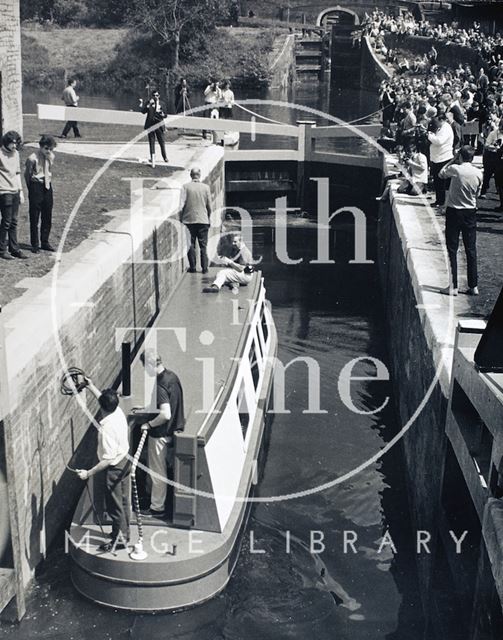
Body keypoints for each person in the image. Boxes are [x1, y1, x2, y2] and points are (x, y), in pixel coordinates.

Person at [76, 381, 131, 552]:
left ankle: (119, 541)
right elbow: (104, 399)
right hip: (125, 462)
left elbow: (107, 460)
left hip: (114, 468)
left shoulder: (107, 428)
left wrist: (88, 473)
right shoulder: (117, 412)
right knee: (123, 501)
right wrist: (91, 385)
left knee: (115, 506)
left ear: (102, 407)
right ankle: (124, 533)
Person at [139, 351, 185, 518]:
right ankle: (154, 500)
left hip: (160, 434)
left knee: (157, 472)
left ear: (151, 365)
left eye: (145, 367)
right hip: (173, 431)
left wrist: (148, 424)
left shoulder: (160, 385)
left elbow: (165, 414)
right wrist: (147, 408)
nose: (145, 371)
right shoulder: (172, 377)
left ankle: (157, 508)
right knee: (162, 469)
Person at [439, 146, 482, 296]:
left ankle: (453, 286)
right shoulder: (478, 173)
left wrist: (453, 159)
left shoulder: (455, 169)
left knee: (452, 249)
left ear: (460, 156)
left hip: (454, 211)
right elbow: (478, 192)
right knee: (471, 249)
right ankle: (473, 285)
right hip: (470, 211)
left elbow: (441, 173)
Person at [24, 135, 57, 253]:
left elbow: (49, 170)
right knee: (34, 216)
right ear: (41, 146)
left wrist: (49, 156)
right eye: (46, 148)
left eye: (51, 149)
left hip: (47, 185)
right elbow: (27, 175)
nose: (49, 151)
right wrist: (31, 188)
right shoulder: (32, 158)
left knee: (47, 215)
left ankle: (45, 241)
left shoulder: (50, 156)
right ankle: (35, 244)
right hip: (36, 185)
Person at [0, 131, 27, 261]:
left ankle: (14, 249)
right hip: (4, 192)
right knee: (6, 222)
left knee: (14, 222)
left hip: (15, 191)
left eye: (16, 143)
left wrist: (21, 191)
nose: (15, 146)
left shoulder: (16, 154)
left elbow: (17, 173)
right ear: (6, 142)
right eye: (12, 143)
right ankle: (1, 250)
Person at [180, 167, 212, 273]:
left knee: (191, 245)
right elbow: (209, 206)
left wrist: (181, 217)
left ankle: (193, 267)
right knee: (203, 245)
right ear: (200, 175)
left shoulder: (185, 187)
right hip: (203, 220)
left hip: (189, 220)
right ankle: (205, 268)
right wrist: (209, 218)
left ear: (191, 175)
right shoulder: (206, 188)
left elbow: (181, 205)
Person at [427, 116, 454, 207]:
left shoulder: (446, 128)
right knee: (437, 182)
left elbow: (439, 141)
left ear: (441, 120)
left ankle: (442, 202)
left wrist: (429, 136)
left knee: (441, 182)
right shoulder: (441, 127)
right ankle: (439, 200)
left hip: (443, 158)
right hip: (437, 158)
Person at [139, 89, 168, 168]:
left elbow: (165, 115)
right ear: (152, 96)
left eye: (157, 95)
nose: (156, 97)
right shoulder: (149, 102)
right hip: (151, 124)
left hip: (159, 124)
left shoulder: (162, 103)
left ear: (159, 96)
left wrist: (162, 114)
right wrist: (147, 106)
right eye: (154, 95)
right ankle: (153, 158)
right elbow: (142, 111)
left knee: (161, 142)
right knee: (152, 142)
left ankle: (164, 156)